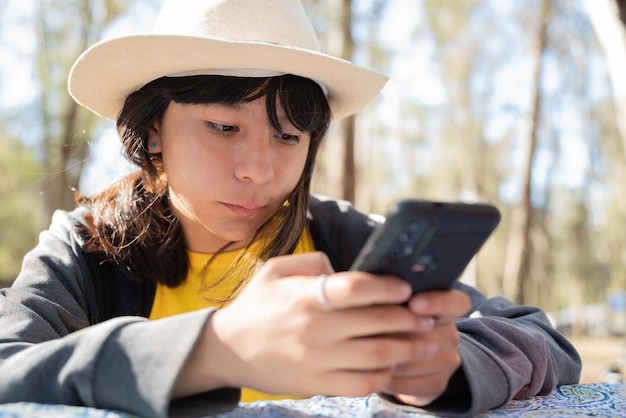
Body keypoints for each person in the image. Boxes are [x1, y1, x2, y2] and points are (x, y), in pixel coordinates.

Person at [0, 1, 581, 417]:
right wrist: (215, 351)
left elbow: (542, 341)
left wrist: (444, 371)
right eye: (224, 126)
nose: (260, 169)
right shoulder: (83, 250)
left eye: (289, 136)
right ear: (152, 132)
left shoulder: (344, 239)